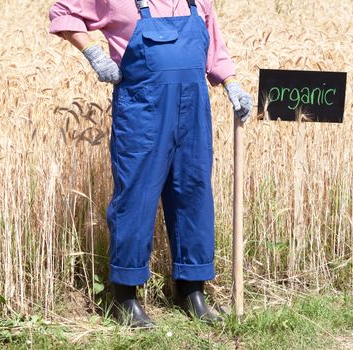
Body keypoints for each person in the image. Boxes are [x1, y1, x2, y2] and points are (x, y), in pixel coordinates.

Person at [48, 0, 252, 328]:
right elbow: (62, 13)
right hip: (142, 113)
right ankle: (125, 298)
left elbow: (213, 43)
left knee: (193, 194)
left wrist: (232, 84)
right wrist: (94, 54)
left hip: (193, 111)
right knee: (136, 200)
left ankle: (191, 292)